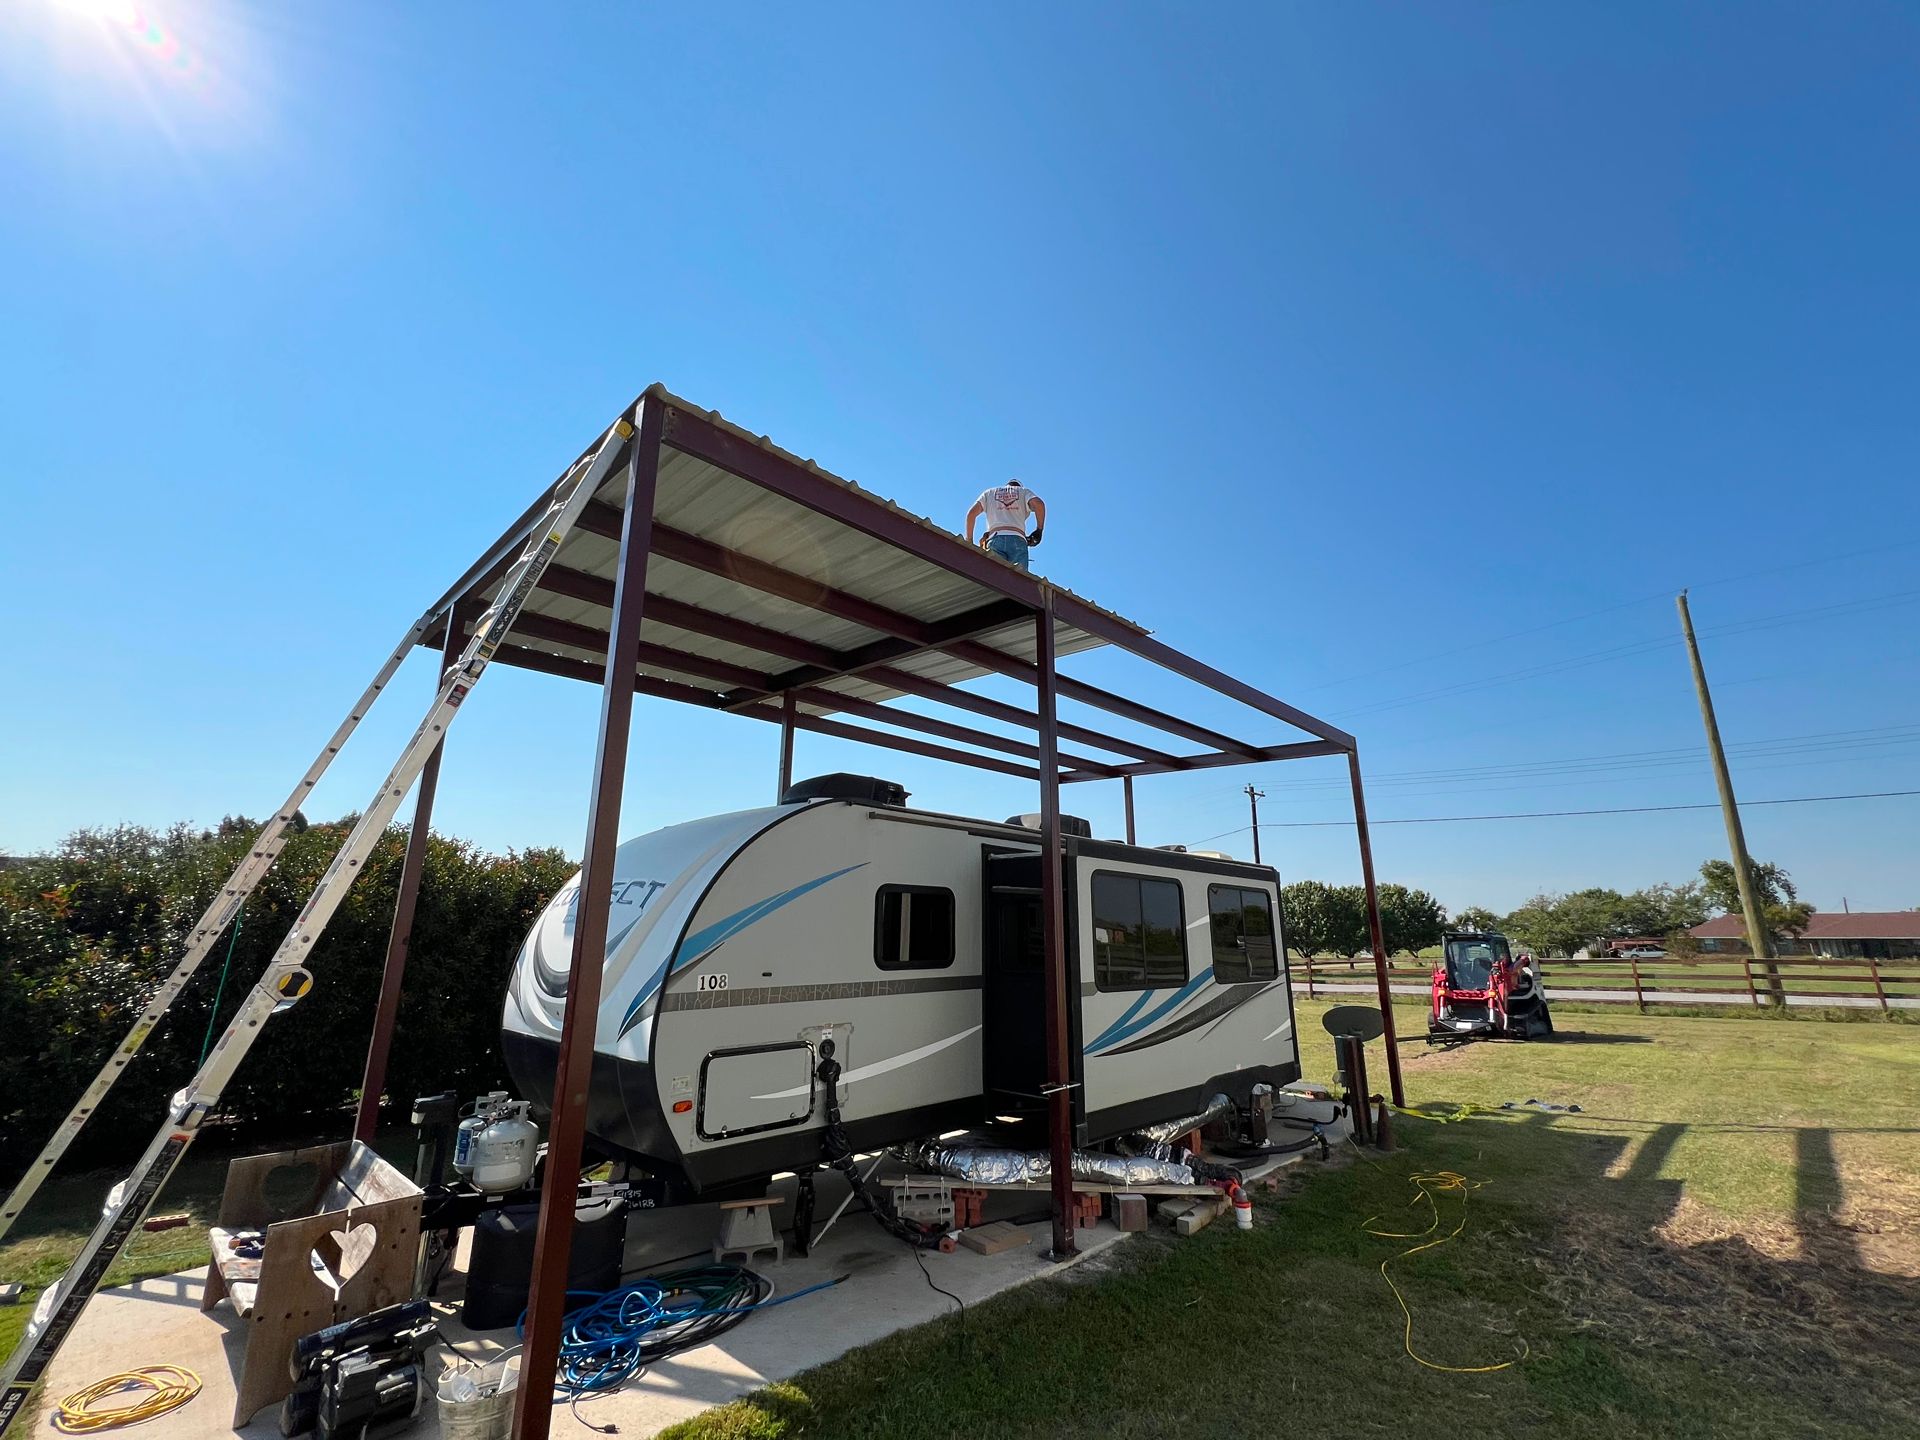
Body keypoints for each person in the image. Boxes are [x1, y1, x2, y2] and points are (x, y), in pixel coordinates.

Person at [964, 479, 1046, 571]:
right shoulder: (1024, 492)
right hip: (1017, 540)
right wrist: (1039, 530)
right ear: (1018, 487)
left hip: (995, 538)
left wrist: (969, 542)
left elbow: (971, 514)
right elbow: (1039, 504)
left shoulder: (989, 493)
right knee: (1018, 580)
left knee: (995, 578)